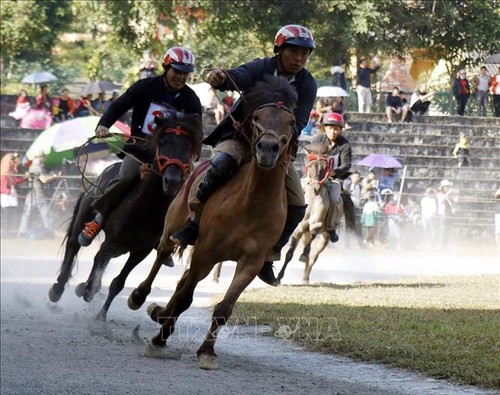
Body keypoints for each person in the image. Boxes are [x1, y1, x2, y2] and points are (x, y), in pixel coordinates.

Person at [170, 24, 317, 286]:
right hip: (240, 139)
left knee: (297, 204)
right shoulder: (262, 67)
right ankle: (194, 223)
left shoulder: (308, 83)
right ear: (279, 50)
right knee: (221, 163)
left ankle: (270, 255)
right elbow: (239, 75)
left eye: (305, 54)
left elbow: (301, 119)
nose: (299, 58)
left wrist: (278, 142)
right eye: (293, 51)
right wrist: (222, 77)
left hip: (276, 148)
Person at [78, 46, 202, 247]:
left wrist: (190, 157)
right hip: (139, 150)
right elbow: (118, 106)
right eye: (176, 71)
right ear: (166, 67)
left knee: (184, 190)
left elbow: (197, 132)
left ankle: (165, 238)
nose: (180, 77)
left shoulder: (191, 100)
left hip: (171, 157)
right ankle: (98, 220)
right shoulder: (145, 87)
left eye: (185, 74)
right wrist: (103, 125)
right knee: (126, 177)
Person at [309, 112, 352, 243]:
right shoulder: (317, 140)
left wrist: (332, 173)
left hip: (334, 179)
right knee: (299, 189)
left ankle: (331, 226)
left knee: (334, 198)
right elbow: (311, 157)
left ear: (340, 130)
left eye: (336, 129)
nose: (333, 131)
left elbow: (346, 165)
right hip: (316, 176)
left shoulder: (344, 145)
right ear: (324, 128)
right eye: (330, 128)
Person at [17, 150, 58, 238]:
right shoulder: (37, 167)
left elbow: (43, 177)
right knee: (45, 214)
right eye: (43, 157)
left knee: (27, 214)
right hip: (38, 195)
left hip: (32, 194)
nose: (44, 159)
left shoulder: (34, 166)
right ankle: (49, 232)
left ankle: (21, 232)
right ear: (40, 157)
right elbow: (44, 180)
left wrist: (51, 176)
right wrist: (54, 177)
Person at [1, 153, 25, 236]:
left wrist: (23, 179)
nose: (12, 162)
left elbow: (14, 182)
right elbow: (6, 183)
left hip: (10, 193)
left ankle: (7, 230)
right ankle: (5, 231)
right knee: (7, 213)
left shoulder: (11, 171)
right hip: (5, 194)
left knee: (10, 212)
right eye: (11, 160)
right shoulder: (4, 172)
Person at [436, 179, 459, 249]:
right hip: (443, 215)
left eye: (448, 187)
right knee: (443, 231)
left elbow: (456, 201)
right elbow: (442, 200)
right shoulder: (439, 195)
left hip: (450, 214)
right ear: (442, 188)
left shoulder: (449, 195)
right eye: (446, 187)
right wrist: (449, 193)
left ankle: (445, 245)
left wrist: (456, 195)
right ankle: (441, 245)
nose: (447, 188)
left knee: (448, 231)